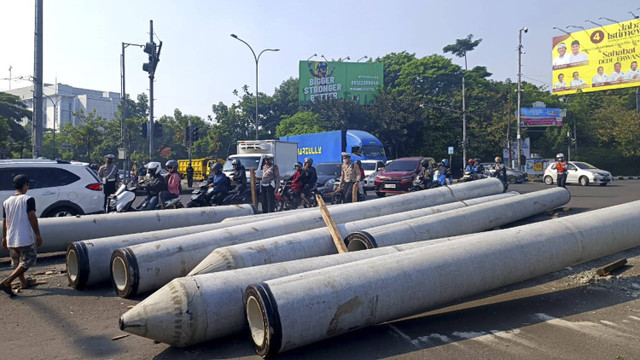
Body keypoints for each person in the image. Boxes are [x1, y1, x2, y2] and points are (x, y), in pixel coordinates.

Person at [1, 175, 43, 296]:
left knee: (18, 263)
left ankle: (23, 283)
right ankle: (7, 281)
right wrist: (38, 235)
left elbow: (5, 221)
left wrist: (4, 237)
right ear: (25, 185)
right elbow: (32, 217)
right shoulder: (28, 199)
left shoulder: (6, 201)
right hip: (23, 237)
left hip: (11, 238)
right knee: (27, 260)